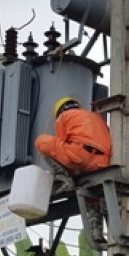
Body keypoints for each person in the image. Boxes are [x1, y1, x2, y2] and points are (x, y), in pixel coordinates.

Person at [35, 97, 112, 243]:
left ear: (60, 111)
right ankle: (97, 232)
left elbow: (61, 144)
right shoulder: (97, 118)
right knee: (91, 193)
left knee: (42, 142)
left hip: (80, 156)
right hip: (102, 163)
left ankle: (64, 179)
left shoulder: (64, 117)